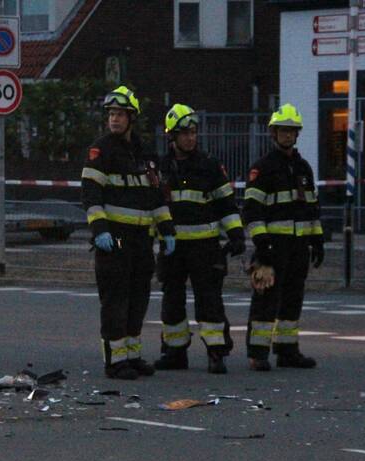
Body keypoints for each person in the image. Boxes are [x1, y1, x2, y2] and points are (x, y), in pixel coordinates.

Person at [81, 86, 176, 380]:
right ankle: (115, 361)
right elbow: (91, 195)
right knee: (115, 302)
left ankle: (132, 356)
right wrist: (100, 230)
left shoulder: (144, 153)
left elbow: (156, 196)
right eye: (111, 114)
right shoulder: (101, 151)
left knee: (138, 299)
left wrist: (167, 230)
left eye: (120, 114)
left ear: (131, 117)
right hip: (115, 239)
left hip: (141, 241)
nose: (114, 119)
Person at [154, 103, 245, 374]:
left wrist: (236, 234)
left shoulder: (209, 165)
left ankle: (216, 352)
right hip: (172, 247)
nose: (190, 138)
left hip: (205, 246)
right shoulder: (160, 168)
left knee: (210, 299)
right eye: (185, 133)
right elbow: (152, 205)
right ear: (172, 136)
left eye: (193, 133)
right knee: (172, 300)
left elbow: (226, 203)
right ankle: (174, 352)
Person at [242, 103, 324, 370]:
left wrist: (317, 240)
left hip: (299, 246)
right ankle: (258, 354)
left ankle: (287, 351)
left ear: (297, 134)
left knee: (292, 299)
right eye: (283, 130)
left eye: (291, 130)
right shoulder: (263, 168)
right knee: (265, 299)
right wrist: (262, 244)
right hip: (273, 246)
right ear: (273, 133)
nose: (287, 135)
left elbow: (312, 208)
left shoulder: (303, 168)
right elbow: (252, 211)